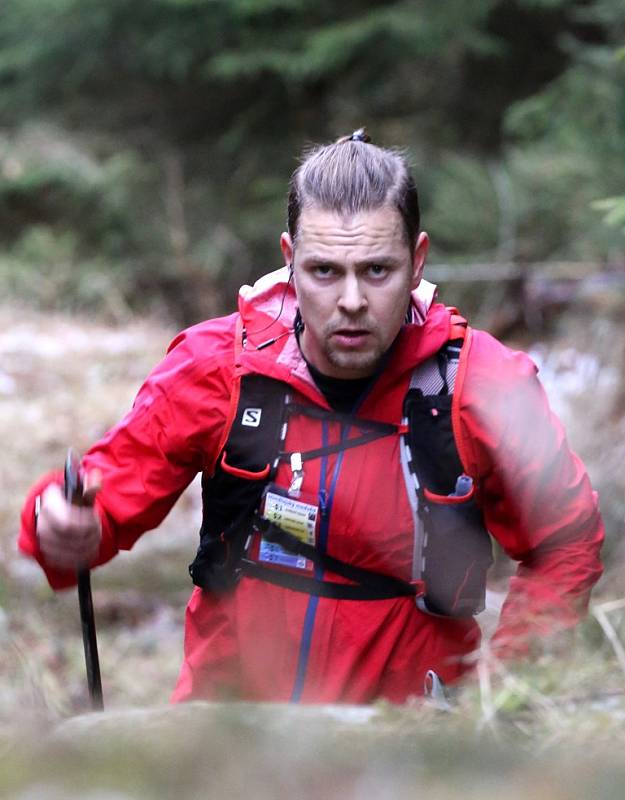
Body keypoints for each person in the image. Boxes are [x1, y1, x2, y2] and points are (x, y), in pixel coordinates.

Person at [19, 130, 604, 704]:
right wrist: (62, 526)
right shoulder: (216, 369)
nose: (351, 300)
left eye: (377, 270)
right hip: (227, 746)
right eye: (325, 271)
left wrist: (501, 691)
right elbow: (97, 500)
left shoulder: (481, 387)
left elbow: (567, 542)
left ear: (418, 259)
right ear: (290, 259)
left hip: (414, 756)